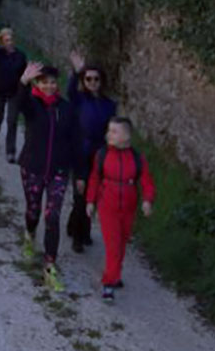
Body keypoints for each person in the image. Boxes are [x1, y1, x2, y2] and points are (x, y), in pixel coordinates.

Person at [16, 62, 82, 292]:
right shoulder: (32, 104)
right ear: (37, 83)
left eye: (53, 82)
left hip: (59, 171)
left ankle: (49, 266)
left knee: (52, 216)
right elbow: (18, 103)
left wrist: (79, 172)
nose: (49, 86)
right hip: (32, 168)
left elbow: (75, 140)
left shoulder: (65, 108)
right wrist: (23, 82)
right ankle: (29, 234)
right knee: (33, 211)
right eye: (44, 82)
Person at [86, 117, 155, 302]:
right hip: (108, 207)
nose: (109, 135)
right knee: (113, 246)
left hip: (128, 208)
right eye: (109, 130)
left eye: (114, 132)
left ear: (126, 136)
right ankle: (108, 283)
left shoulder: (137, 158)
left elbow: (146, 180)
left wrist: (147, 200)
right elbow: (94, 178)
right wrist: (90, 201)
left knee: (122, 243)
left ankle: (115, 274)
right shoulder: (102, 155)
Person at [66, 51, 117, 253]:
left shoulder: (109, 105)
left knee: (93, 195)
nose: (92, 82)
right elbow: (70, 90)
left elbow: (112, 130)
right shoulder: (79, 100)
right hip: (80, 152)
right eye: (88, 79)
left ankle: (79, 227)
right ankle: (78, 237)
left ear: (101, 81)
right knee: (80, 195)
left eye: (96, 79)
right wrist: (77, 71)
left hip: (99, 154)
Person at [0, 28, 27, 163]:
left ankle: (10, 151)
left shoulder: (20, 55)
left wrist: (25, 92)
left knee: (12, 121)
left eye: (11, 40)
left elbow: (25, 74)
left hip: (14, 92)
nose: (9, 43)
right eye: (6, 40)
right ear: (2, 42)